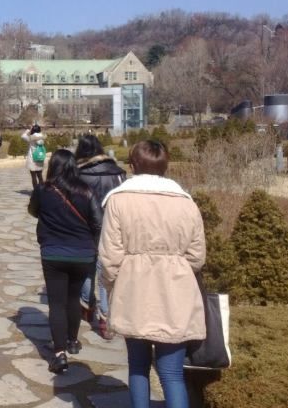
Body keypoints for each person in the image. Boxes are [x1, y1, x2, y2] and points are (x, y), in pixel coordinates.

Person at [98, 140, 206, 408]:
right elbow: (197, 256)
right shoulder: (186, 203)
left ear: (133, 165)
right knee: (172, 374)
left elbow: (109, 257)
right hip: (176, 292)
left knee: (137, 366)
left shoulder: (119, 200)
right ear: (166, 167)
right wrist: (174, 270)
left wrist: (109, 291)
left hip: (133, 290)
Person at [27, 149, 103, 374]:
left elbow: (33, 211)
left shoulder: (43, 190)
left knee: (57, 303)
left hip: (53, 253)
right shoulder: (86, 191)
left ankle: (59, 353)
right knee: (73, 298)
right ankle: (72, 341)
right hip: (82, 253)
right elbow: (98, 222)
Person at [74, 134, 126, 340]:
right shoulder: (118, 172)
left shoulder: (80, 173)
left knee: (88, 266)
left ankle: (87, 304)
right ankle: (105, 316)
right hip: (114, 226)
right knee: (107, 270)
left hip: (87, 226)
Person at [21, 124, 47, 188]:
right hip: (40, 157)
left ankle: (36, 191)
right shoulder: (43, 137)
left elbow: (23, 136)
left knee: (33, 176)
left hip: (32, 158)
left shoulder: (31, 138)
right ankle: (42, 191)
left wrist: (29, 130)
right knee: (40, 175)